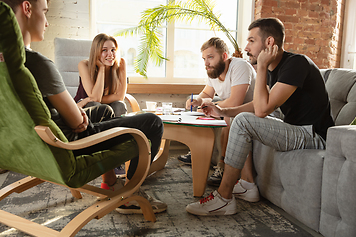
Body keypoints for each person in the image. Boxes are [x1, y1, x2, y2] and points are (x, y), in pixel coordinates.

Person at [4, 0, 167, 214]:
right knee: (153, 122)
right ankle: (130, 192)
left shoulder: (4, 64)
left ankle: (109, 182)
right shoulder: (38, 63)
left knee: (104, 110)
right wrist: (77, 114)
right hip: (69, 143)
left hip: (29, 146)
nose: (46, 22)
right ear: (27, 9)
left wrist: (75, 109)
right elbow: (77, 122)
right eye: (44, 12)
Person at [186, 17, 334, 216]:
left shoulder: (296, 63)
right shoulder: (276, 68)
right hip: (297, 130)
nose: (246, 47)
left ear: (269, 42)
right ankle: (247, 184)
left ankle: (224, 198)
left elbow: (261, 111)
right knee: (239, 118)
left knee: (244, 121)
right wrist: (222, 111)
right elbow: (257, 104)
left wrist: (261, 67)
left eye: (251, 41)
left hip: (314, 136)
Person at [179, 37, 256, 189]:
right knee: (202, 112)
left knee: (228, 116)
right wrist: (197, 101)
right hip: (233, 109)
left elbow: (235, 102)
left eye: (210, 57)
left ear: (224, 56)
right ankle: (197, 153)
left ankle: (222, 165)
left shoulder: (240, 66)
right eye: (204, 58)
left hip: (251, 111)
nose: (206, 63)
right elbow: (206, 94)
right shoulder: (214, 71)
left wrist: (210, 106)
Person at [75, 33, 128, 117]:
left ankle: (117, 130)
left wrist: (91, 99)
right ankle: (97, 130)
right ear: (96, 52)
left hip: (101, 104)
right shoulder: (84, 65)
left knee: (119, 105)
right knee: (95, 105)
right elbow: (95, 99)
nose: (110, 54)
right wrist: (101, 69)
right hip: (84, 106)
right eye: (104, 50)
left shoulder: (120, 63)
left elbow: (120, 97)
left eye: (113, 50)